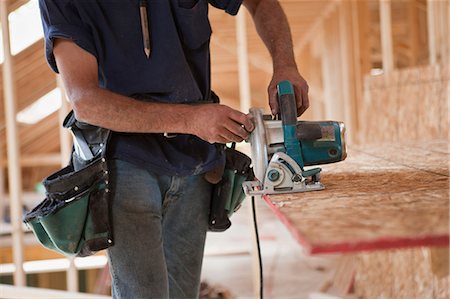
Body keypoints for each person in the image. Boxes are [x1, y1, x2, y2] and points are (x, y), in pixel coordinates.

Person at [38, 0, 309, 298]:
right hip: (125, 162)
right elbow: (85, 102)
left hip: (194, 159)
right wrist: (192, 119)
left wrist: (285, 65)